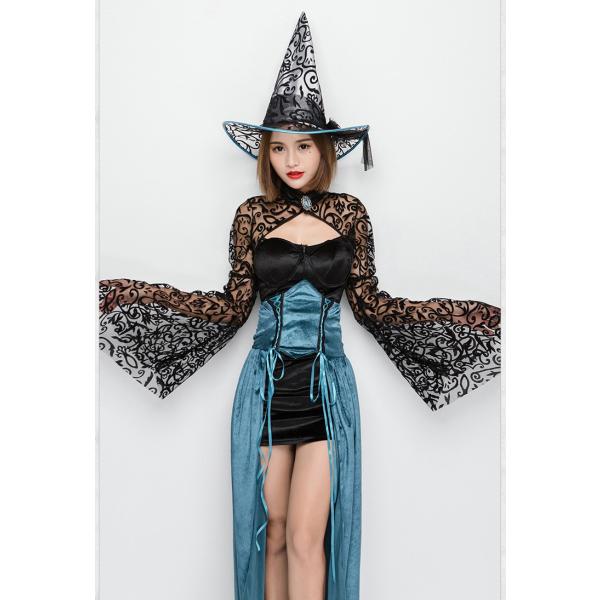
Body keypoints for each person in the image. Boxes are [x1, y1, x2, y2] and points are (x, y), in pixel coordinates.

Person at [99, 12, 501, 600]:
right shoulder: (251, 215)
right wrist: (131, 295)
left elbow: (374, 307)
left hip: (326, 392)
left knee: (310, 537)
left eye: (304, 145)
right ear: (266, 153)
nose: (291, 158)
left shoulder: (349, 213)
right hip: (265, 390)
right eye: (279, 147)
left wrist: (473, 318)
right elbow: (230, 307)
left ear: (324, 149)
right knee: (273, 534)